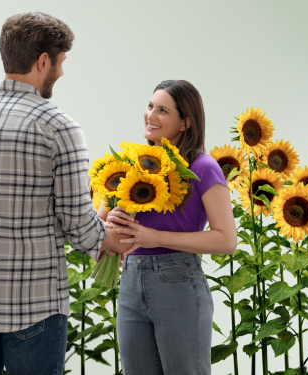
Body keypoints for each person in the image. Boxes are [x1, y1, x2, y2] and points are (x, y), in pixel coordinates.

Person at [0, 12, 132, 375]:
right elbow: (76, 218)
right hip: (32, 303)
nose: (61, 73)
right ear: (43, 61)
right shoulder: (58, 126)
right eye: (61, 62)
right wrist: (107, 239)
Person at [97, 80, 238, 375]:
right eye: (150, 106)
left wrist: (154, 237)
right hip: (131, 281)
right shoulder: (133, 163)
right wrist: (109, 224)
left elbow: (226, 240)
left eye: (163, 110)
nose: (151, 115)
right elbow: (102, 223)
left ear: (185, 122)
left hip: (178, 283)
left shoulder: (203, 167)